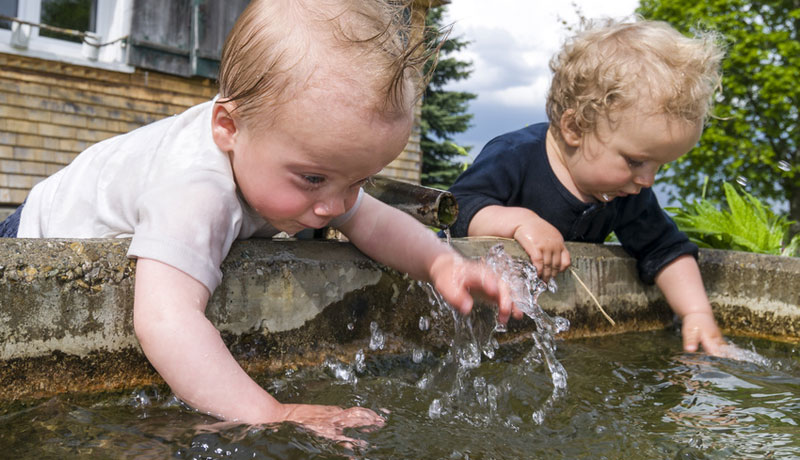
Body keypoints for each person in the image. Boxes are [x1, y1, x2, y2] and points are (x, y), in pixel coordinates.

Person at [0, 0, 521, 441]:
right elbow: (164, 321)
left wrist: (439, 262)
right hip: (33, 234)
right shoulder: (194, 188)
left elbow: (375, 222)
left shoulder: (311, 169)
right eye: (313, 180)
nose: (336, 207)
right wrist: (271, 413)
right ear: (228, 127)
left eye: (358, 180)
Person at [447, 18, 729, 356]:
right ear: (575, 128)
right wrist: (519, 222)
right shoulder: (515, 157)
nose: (647, 180)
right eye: (636, 162)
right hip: (464, 307)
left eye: (659, 166)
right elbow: (458, 209)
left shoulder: (627, 195)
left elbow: (666, 250)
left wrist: (696, 313)